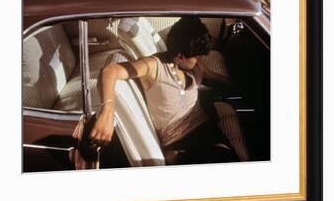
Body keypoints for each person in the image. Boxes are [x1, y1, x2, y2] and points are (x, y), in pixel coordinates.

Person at [90, 17, 238, 165]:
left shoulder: (194, 67)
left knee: (230, 160)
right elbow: (110, 71)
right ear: (180, 56)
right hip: (178, 140)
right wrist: (107, 111)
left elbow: (211, 77)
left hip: (205, 128)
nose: (200, 61)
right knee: (222, 161)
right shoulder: (154, 66)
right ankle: (176, 158)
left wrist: (237, 86)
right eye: (197, 57)